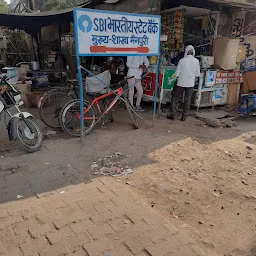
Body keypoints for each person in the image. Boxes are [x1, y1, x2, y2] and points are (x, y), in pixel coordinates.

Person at [167, 45, 200, 121]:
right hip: (190, 83)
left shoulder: (182, 60)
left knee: (174, 98)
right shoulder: (196, 61)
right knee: (187, 100)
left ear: (186, 52)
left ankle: (173, 114)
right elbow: (198, 74)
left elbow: (177, 74)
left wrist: (174, 79)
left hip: (181, 82)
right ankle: (184, 116)